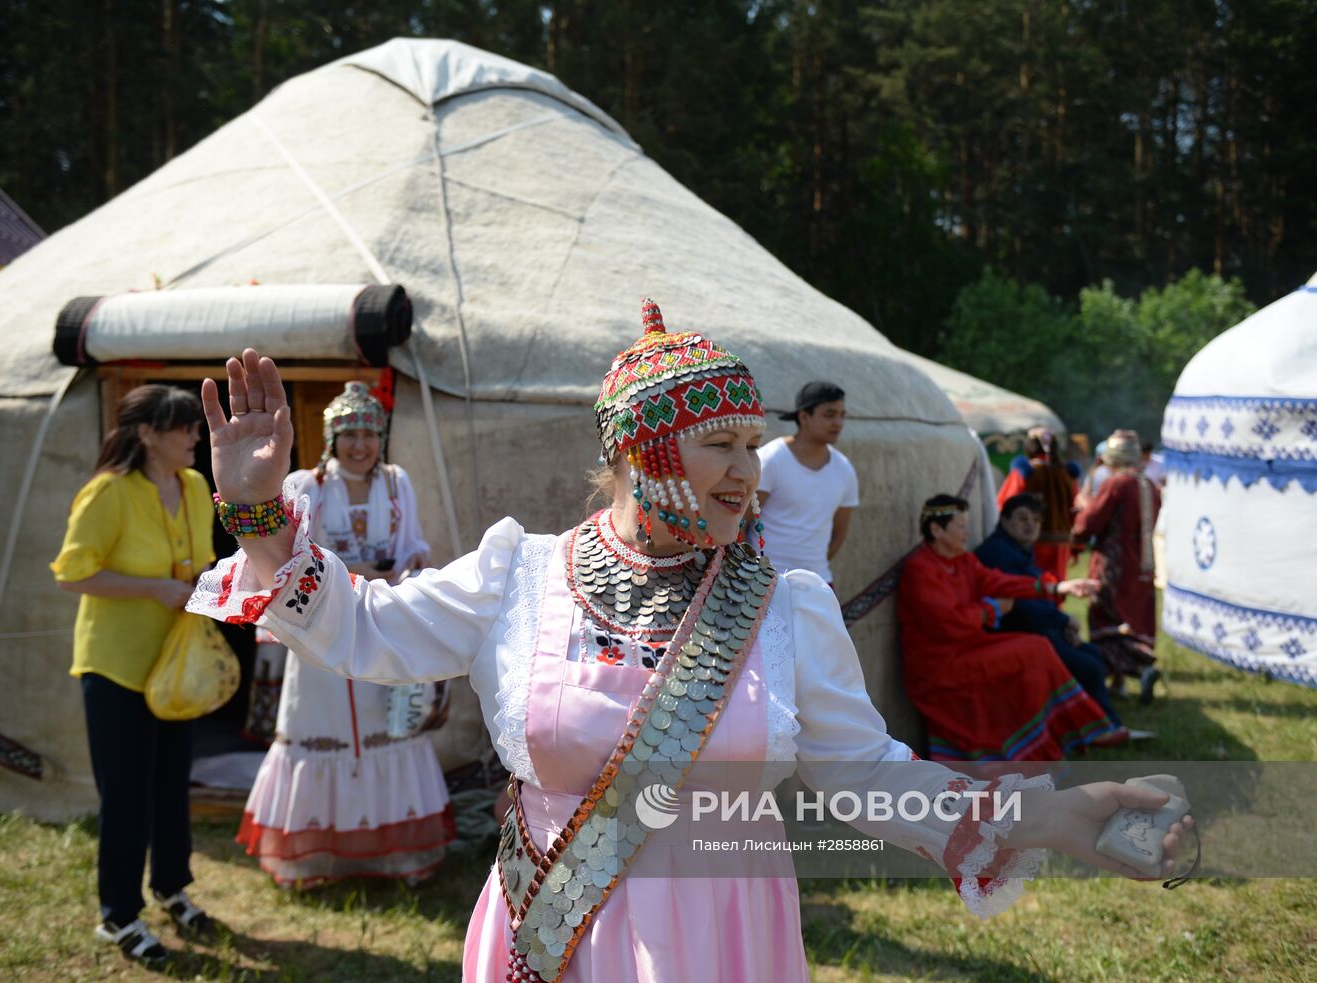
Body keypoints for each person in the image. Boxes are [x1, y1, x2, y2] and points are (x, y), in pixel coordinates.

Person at [189, 302, 1188, 982]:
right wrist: (253, 508)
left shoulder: (782, 604)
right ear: (637, 450)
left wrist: (1053, 815)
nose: (745, 473)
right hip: (552, 924)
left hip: (723, 930)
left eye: (747, 447)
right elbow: (361, 631)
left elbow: (863, 771)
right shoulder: (518, 574)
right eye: (717, 445)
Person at [238, 381, 454, 887]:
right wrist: (355, 568)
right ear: (332, 438)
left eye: (370, 434)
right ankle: (312, 859)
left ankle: (396, 857)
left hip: (380, 617)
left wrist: (413, 561)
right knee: (323, 729)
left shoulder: (397, 483)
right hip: (319, 622)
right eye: (350, 433)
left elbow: (411, 543)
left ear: (382, 437)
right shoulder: (304, 485)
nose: (361, 444)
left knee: (388, 725)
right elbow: (291, 556)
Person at [51, 385, 217, 966]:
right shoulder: (107, 493)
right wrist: (154, 588)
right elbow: (72, 575)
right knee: (125, 797)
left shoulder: (196, 487)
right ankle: (118, 916)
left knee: (173, 785)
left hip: (177, 664)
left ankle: (171, 887)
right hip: (116, 668)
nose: (195, 436)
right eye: (183, 427)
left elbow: (199, 564)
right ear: (147, 433)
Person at [897, 494, 1115, 762]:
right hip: (940, 664)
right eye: (961, 526)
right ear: (936, 530)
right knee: (1034, 651)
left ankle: (1047, 738)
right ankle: (1064, 732)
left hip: (967, 647)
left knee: (1038, 648)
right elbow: (949, 624)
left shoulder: (963, 561)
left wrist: (1056, 587)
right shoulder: (920, 570)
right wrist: (992, 610)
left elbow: (998, 582)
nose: (968, 532)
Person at [975, 494, 1152, 743]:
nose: (1030, 526)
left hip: (1034, 626)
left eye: (1036, 520)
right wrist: (1061, 621)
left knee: (1091, 655)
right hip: (1013, 630)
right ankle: (1101, 729)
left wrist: (1063, 619)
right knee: (1086, 666)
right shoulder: (998, 552)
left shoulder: (1018, 550)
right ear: (1003, 520)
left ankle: (1098, 724)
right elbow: (1019, 603)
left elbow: (1034, 596)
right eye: (1022, 519)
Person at [1072, 430, 1163, 703]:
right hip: (1142, 562)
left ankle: (1137, 670)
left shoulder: (1116, 484)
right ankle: (1123, 680)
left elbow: (1092, 522)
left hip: (1115, 562)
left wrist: (1081, 514)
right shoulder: (1150, 485)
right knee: (1132, 617)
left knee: (1107, 615)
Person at [756, 381, 859, 591]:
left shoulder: (844, 469)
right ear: (804, 417)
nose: (838, 422)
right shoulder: (772, 459)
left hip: (818, 583)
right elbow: (743, 522)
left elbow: (839, 533)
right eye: (829, 415)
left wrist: (810, 570)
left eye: (842, 415)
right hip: (765, 581)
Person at [993, 428, 1078, 586]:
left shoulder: (1026, 472)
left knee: (1033, 584)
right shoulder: (1067, 475)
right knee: (1057, 585)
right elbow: (1076, 509)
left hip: (1030, 540)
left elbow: (1006, 503)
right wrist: (1077, 546)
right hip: (1062, 543)